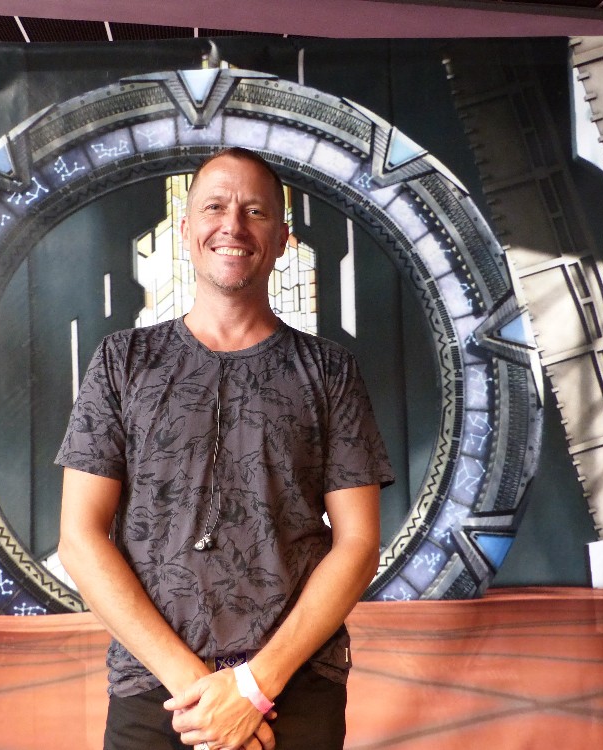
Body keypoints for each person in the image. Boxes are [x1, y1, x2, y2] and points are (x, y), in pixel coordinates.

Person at [56, 147, 394, 750]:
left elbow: (359, 544)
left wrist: (254, 688)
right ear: (186, 229)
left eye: (255, 211)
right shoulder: (121, 362)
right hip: (155, 690)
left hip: (294, 688)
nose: (232, 226)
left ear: (282, 238)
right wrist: (203, 693)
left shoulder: (329, 371)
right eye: (214, 207)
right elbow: (80, 539)